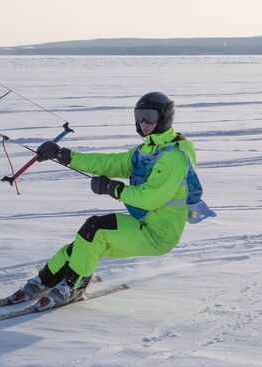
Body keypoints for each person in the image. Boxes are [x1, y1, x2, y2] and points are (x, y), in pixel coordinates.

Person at [16, 91, 212, 311]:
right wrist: (64, 155)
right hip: (144, 224)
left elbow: (150, 197)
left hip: (159, 234)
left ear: (165, 118)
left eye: (150, 116)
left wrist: (114, 188)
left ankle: (73, 287)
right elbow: (110, 162)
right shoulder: (146, 150)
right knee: (83, 245)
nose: (144, 123)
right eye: (139, 116)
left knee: (95, 229)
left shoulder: (174, 156)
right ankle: (44, 281)